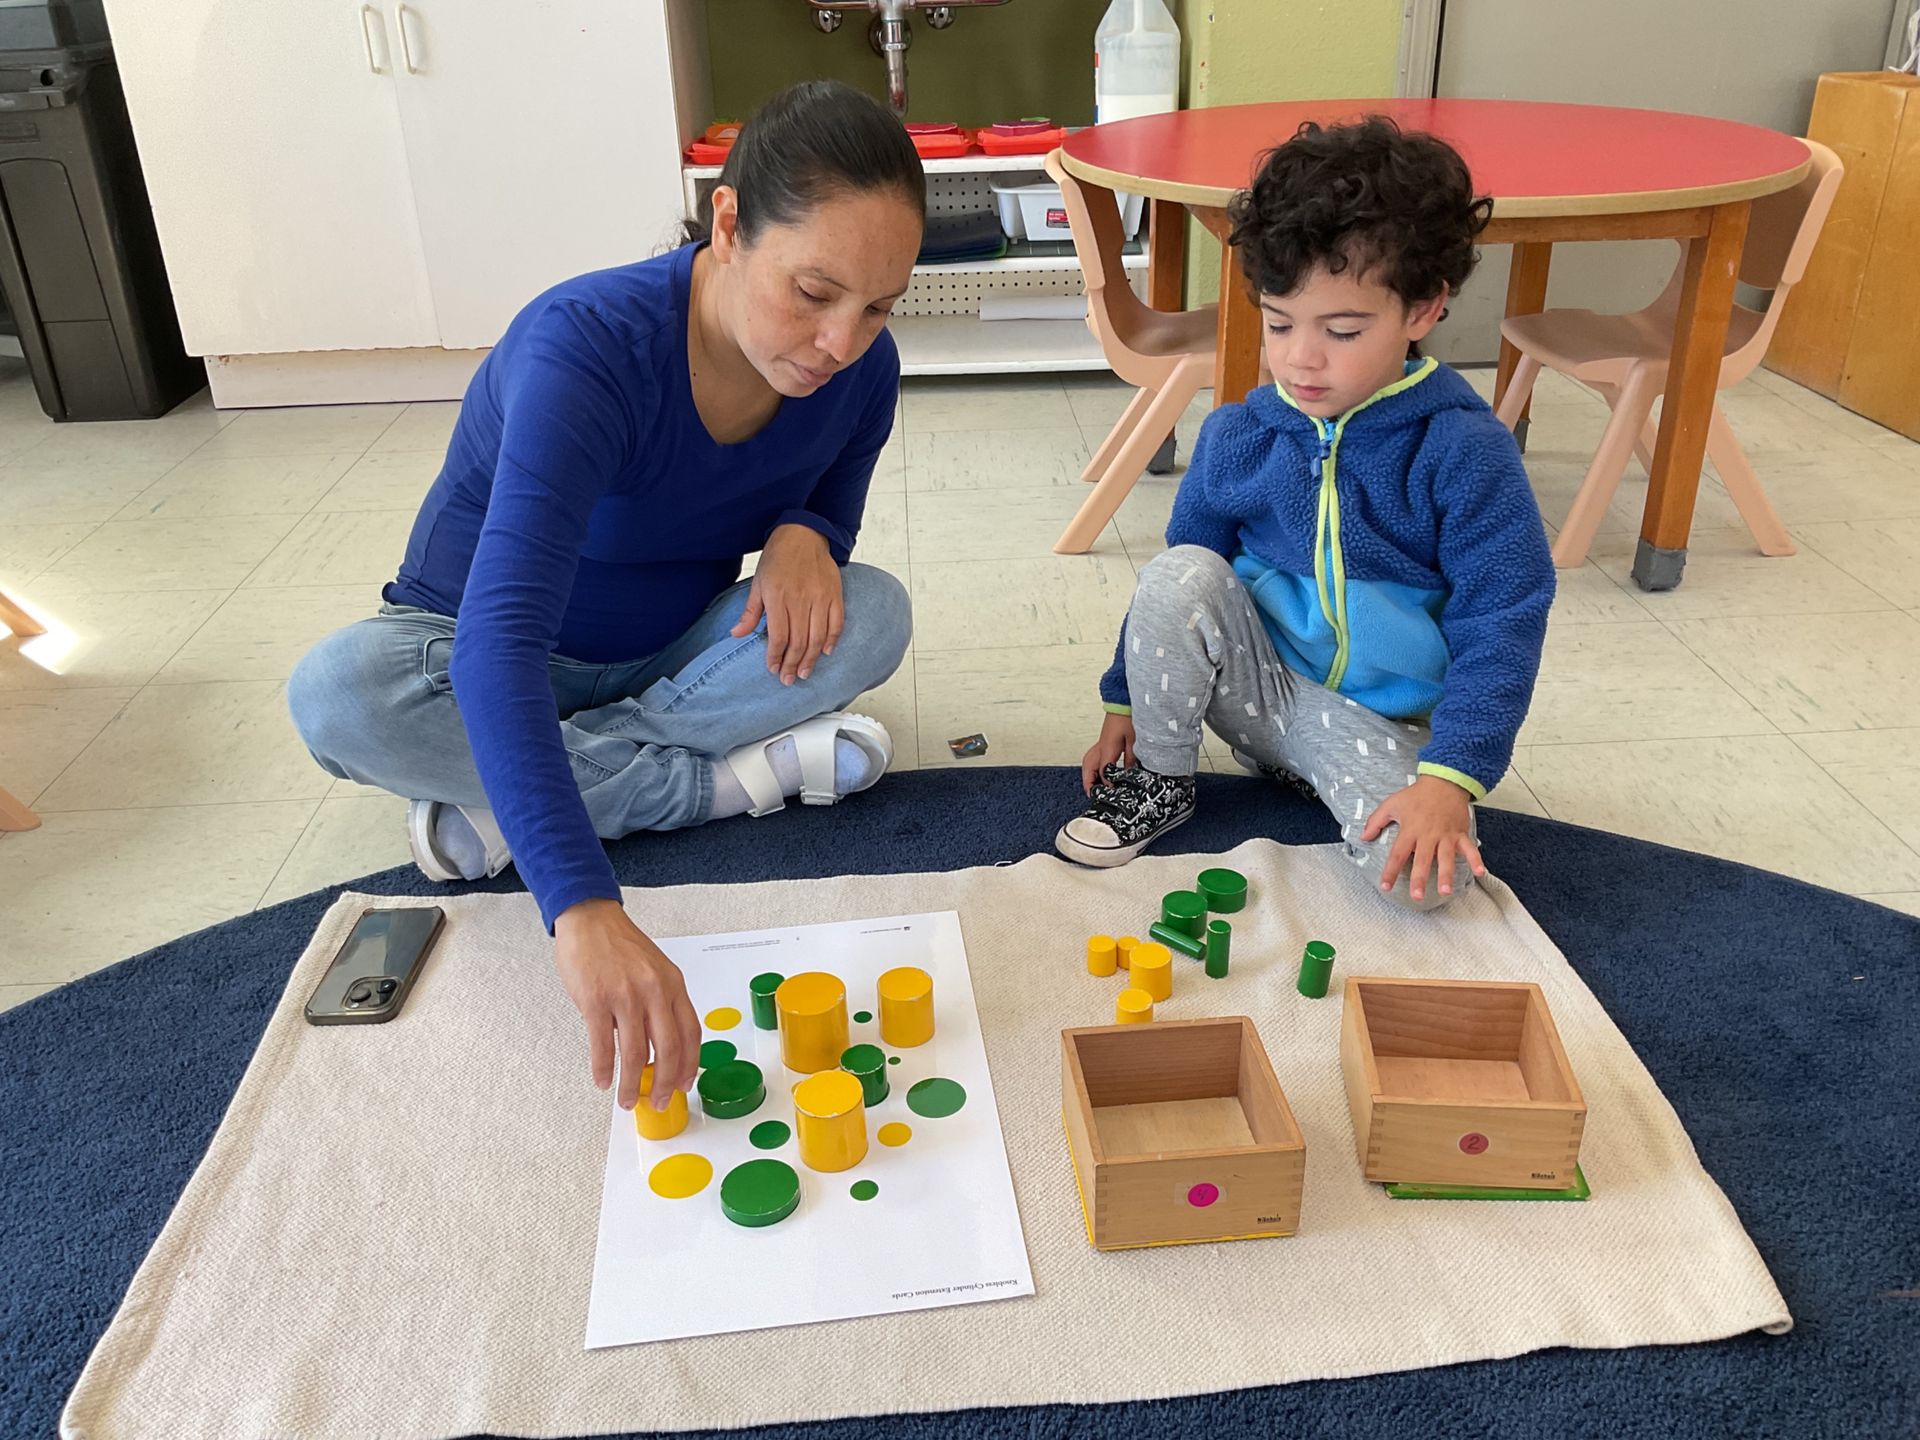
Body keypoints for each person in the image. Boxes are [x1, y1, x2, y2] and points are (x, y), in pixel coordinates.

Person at [288, 81, 923, 1111]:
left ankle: (509, 806)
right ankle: (713, 787)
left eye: (879, 304)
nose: (841, 341)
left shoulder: (863, 369)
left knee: (876, 612)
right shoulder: (585, 348)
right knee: (340, 694)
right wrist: (580, 902)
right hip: (473, 649)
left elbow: (832, 499)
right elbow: (497, 646)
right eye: (813, 293)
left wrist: (810, 533)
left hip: (666, 647)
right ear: (727, 223)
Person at [1054, 117, 1555, 909]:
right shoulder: (1238, 434)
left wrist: (1453, 775)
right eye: (1279, 322)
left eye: (1343, 330)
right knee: (1182, 569)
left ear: (1423, 309)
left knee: (1432, 889)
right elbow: (1178, 588)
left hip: (1376, 726)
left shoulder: (1464, 450)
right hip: (1256, 695)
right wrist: (1128, 702)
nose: (1299, 357)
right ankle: (1162, 783)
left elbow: (1505, 615)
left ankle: (1331, 779)